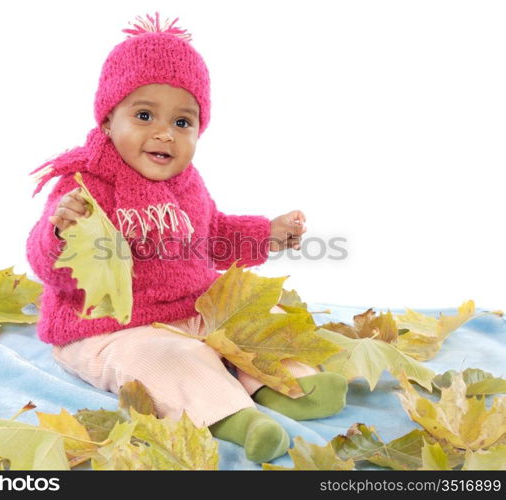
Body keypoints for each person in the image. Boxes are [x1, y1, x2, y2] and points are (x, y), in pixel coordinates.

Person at [26, 12, 347, 464]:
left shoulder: (187, 183)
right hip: (108, 328)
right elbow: (46, 264)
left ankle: (286, 385)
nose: (164, 133)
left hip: (189, 309)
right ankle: (233, 417)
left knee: (257, 315)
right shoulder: (85, 184)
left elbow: (213, 237)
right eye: (143, 115)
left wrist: (266, 234)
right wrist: (61, 231)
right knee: (163, 358)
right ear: (107, 120)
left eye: (183, 122)